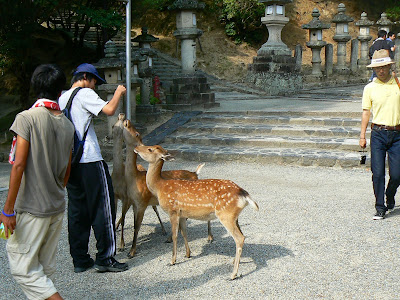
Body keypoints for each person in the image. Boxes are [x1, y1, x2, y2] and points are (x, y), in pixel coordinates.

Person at [0, 64, 74, 300]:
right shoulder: (67, 124)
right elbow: (67, 172)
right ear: (60, 92)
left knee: (23, 269)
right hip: (56, 205)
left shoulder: (26, 118)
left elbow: (18, 164)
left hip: (32, 207)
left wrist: (7, 209)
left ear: (35, 87)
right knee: (43, 269)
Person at [58, 63, 128, 273]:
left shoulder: (62, 98)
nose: (95, 86)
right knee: (103, 207)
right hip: (89, 159)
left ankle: (80, 259)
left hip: (70, 162)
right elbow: (109, 110)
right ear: (86, 77)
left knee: (77, 210)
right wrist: (118, 92)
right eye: (95, 81)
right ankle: (105, 257)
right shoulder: (84, 93)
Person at [360, 49, 400, 220]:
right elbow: (366, 112)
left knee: (397, 174)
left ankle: (390, 194)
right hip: (377, 133)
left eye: (384, 67)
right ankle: (380, 207)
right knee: (377, 173)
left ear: (390, 66)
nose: (381, 70)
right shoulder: (369, 88)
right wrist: (362, 135)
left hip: (397, 133)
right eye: (378, 68)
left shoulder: (398, 84)